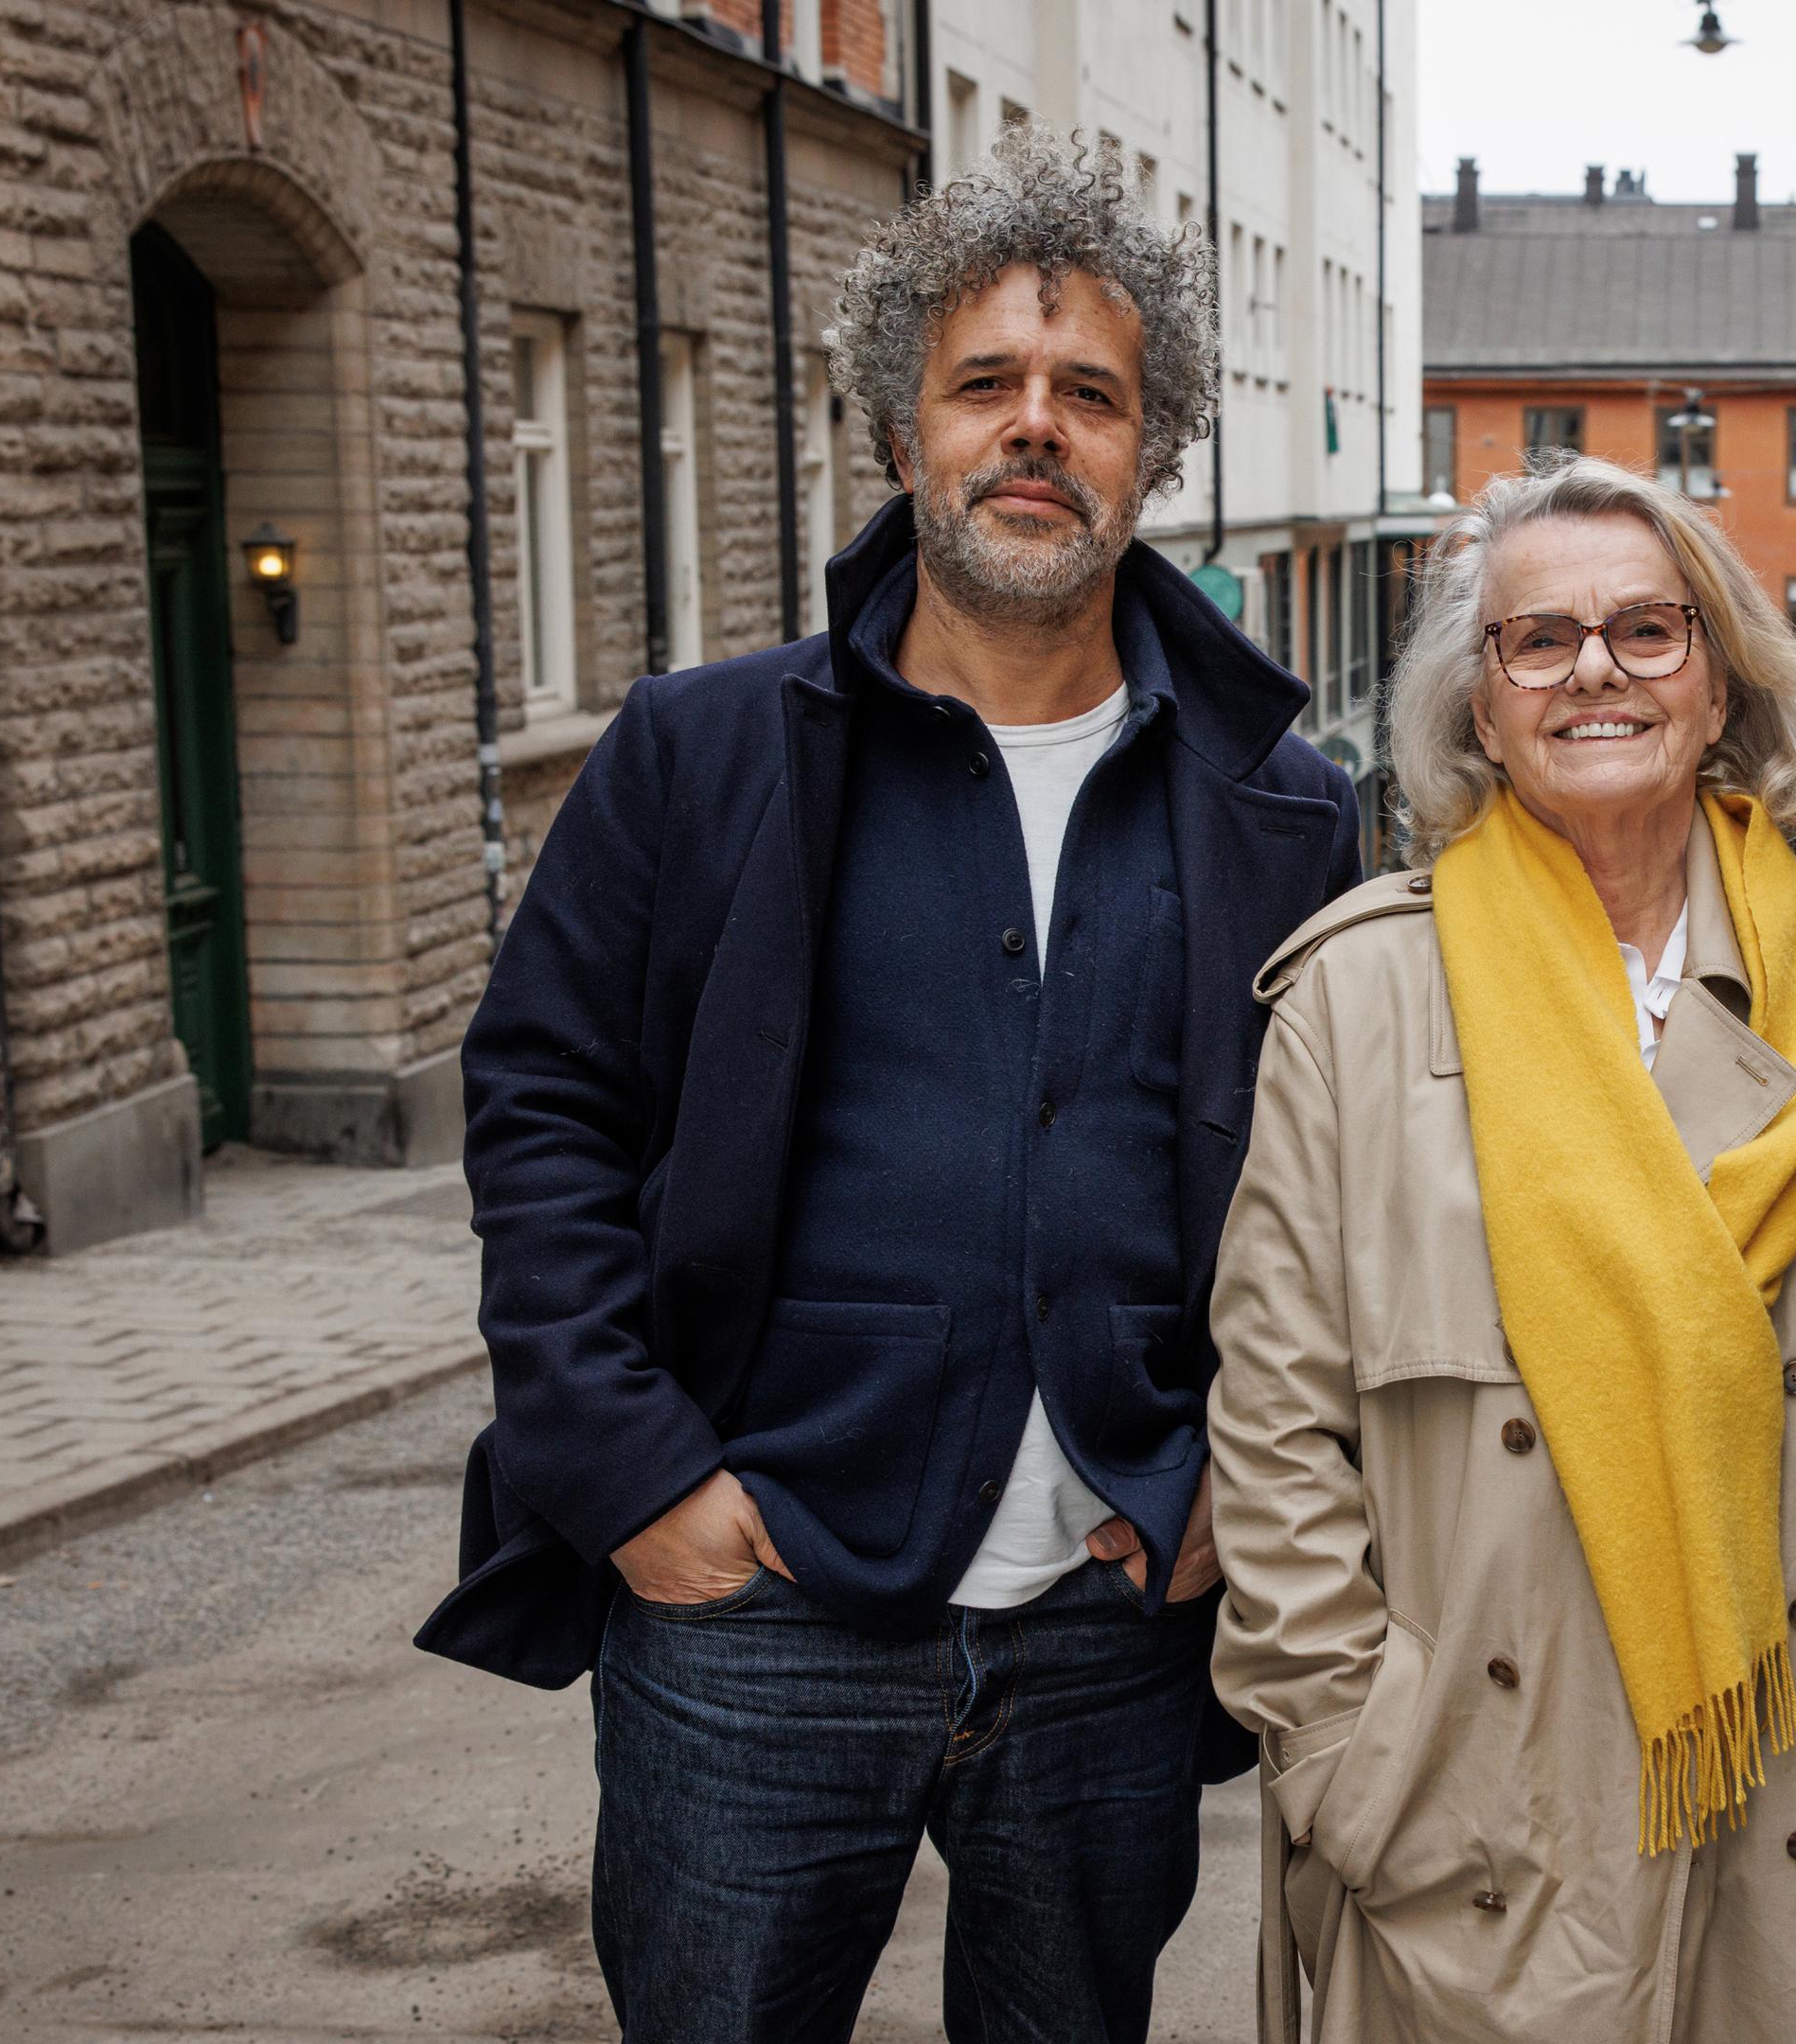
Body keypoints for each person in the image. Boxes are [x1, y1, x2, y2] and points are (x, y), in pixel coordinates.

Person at [414, 130, 1359, 2041]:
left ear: (1150, 445)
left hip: (1110, 1623)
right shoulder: (703, 756)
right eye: (983, 387)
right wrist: (633, 1475)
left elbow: (1342, 1203)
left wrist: (1226, 1494)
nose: (1034, 431)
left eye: (1086, 394)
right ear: (897, 428)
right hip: (755, 1618)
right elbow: (540, 1111)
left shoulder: (1283, 808)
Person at [1206, 455, 1796, 2043]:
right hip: (1469, 1824)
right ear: (1479, 707)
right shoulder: (1359, 1003)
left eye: (1649, 631)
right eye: (1539, 641)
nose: (1595, 669)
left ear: (1722, 683)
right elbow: (1272, 1428)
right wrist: (1352, 1756)